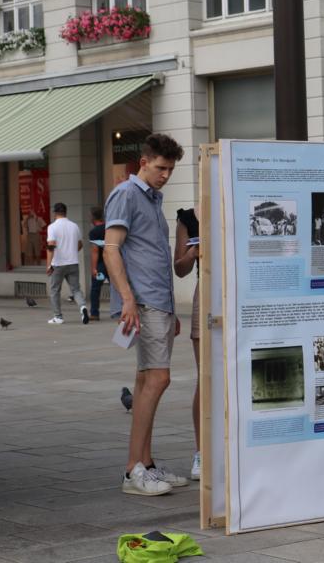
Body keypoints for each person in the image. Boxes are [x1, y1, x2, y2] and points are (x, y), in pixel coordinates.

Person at [103, 133, 188, 496]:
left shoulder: (153, 197)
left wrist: (171, 310)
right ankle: (132, 471)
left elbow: (150, 254)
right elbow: (110, 249)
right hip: (143, 302)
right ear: (144, 162)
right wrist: (127, 299)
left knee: (145, 381)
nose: (165, 175)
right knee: (157, 379)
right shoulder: (126, 194)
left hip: (158, 302)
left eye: (170, 170)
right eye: (161, 168)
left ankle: (146, 464)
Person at [174, 206, 201, 481]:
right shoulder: (188, 218)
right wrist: (193, 253)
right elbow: (179, 269)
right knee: (206, 379)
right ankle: (201, 451)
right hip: (206, 295)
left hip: (244, 294)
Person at [45, 203, 89, 325]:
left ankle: (58, 317)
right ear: (66, 212)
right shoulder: (74, 226)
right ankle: (83, 307)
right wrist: (71, 252)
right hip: (73, 263)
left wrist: (48, 265)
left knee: (55, 290)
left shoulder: (52, 227)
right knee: (76, 289)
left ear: (55, 213)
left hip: (58, 264)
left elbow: (51, 246)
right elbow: (80, 244)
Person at [88, 207, 108, 321]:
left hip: (101, 266)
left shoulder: (94, 232)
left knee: (96, 288)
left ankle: (94, 313)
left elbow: (95, 250)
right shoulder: (109, 228)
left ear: (93, 217)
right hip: (113, 264)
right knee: (116, 287)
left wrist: (94, 268)